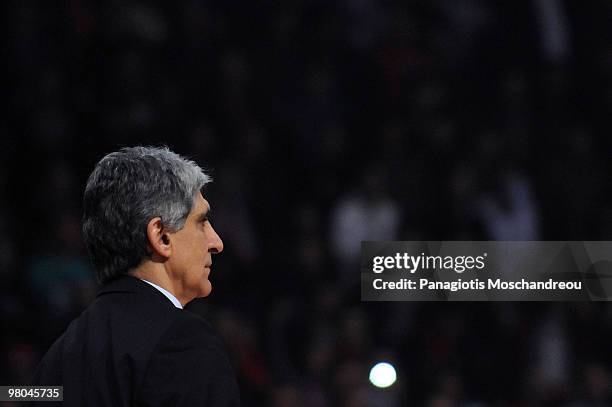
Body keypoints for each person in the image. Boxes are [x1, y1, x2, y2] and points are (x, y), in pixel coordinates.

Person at [30, 146, 240, 406]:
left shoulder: (56, 358)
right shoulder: (182, 340)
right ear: (161, 236)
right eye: (201, 221)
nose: (216, 242)